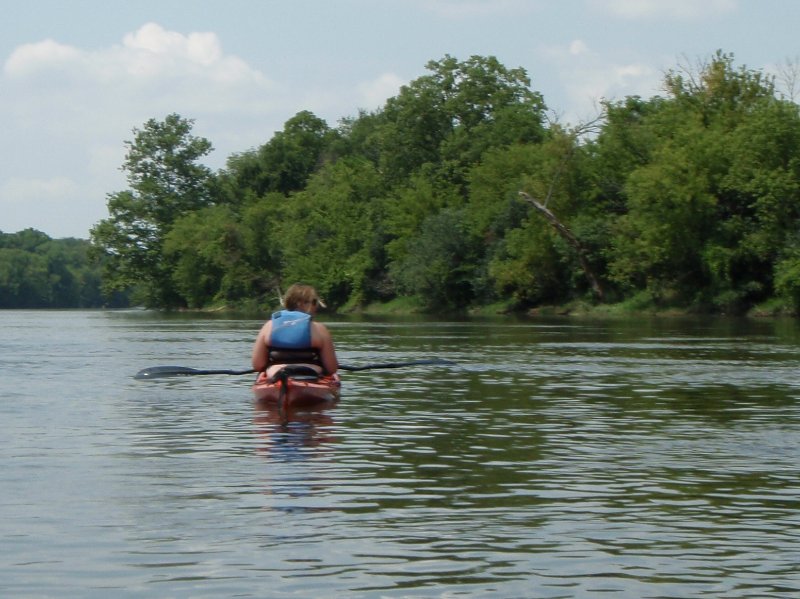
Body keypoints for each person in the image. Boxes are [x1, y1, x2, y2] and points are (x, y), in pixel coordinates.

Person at [252, 283, 338, 377]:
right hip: (311, 373)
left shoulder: (269, 326)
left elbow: (258, 365)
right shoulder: (319, 329)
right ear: (300, 303)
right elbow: (331, 368)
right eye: (314, 302)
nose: (316, 306)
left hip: (277, 373)